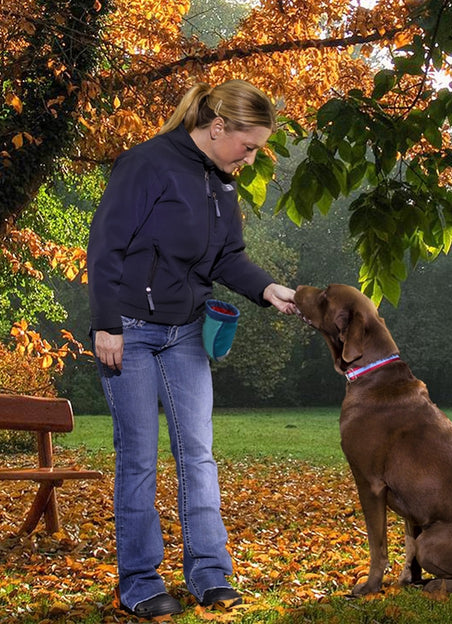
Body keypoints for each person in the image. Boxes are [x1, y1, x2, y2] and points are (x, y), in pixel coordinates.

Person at [87, 79, 297, 620]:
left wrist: (266, 288)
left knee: (197, 456)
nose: (249, 159)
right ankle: (139, 582)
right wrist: (106, 325)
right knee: (137, 458)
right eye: (247, 146)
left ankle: (210, 575)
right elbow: (106, 245)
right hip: (129, 331)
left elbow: (228, 258)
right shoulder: (146, 164)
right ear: (218, 127)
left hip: (185, 334)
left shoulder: (221, 184)